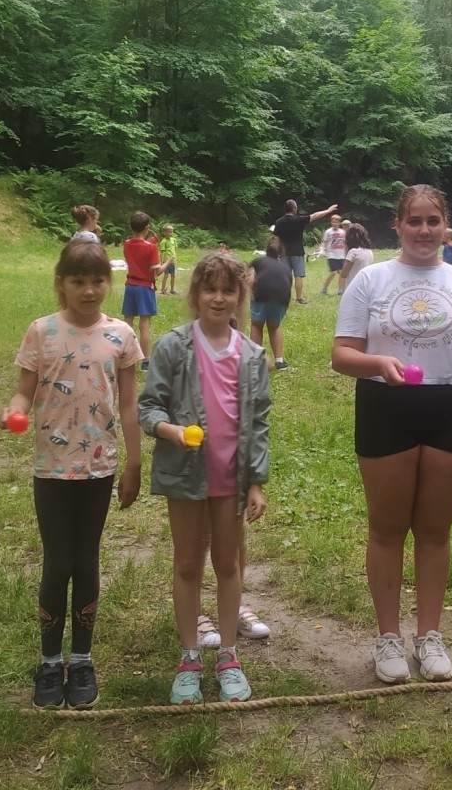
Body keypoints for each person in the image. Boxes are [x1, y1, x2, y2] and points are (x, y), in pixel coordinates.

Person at [332, 185, 452, 685]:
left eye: (433, 221)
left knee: (434, 530)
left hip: (451, 410)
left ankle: (429, 636)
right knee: (386, 529)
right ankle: (388, 637)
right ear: (398, 225)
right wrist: (377, 363)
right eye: (414, 221)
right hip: (385, 408)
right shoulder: (371, 279)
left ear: (446, 226)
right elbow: (341, 354)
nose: (424, 230)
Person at [0, 241, 143, 709]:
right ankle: (49, 662)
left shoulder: (121, 335)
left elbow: (128, 405)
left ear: (109, 282)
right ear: (60, 283)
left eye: (98, 280)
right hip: (52, 469)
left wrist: (134, 463)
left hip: (100, 469)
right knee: (57, 562)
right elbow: (24, 393)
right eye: (78, 281)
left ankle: (81, 659)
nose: (89, 290)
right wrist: (13, 411)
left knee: (86, 560)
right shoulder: (41, 331)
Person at [139, 253, 270, 704]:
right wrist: (169, 430)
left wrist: (256, 481)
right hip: (185, 475)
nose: (218, 298)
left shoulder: (252, 355)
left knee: (228, 564)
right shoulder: (172, 347)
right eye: (209, 289)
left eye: (228, 290)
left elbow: (259, 423)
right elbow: (148, 406)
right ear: (195, 294)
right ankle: (190, 658)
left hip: (232, 480)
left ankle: (229, 656)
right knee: (187, 564)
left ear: (239, 297)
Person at [272, 199, 338, 305]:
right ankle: (299, 299)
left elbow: (276, 238)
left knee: (285, 276)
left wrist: (275, 251)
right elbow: (315, 216)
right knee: (298, 276)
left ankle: (282, 298)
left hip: (283, 252)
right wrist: (328, 210)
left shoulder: (279, 222)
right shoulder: (299, 220)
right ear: (294, 208)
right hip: (297, 252)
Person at [122, 211, 163, 366]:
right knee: (144, 324)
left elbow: (137, 250)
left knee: (128, 321)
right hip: (145, 287)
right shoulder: (151, 248)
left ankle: (123, 355)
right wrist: (168, 263)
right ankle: (145, 360)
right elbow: (157, 271)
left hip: (130, 285)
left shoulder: (127, 243)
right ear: (147, 228)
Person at [249, 236, 292, 370]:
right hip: (281, 297)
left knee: (257, 325)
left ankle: (256, 359)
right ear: (282, 252)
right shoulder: (286, 265)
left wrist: (249, 295)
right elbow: (289, 283)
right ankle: (279, 361)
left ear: (266, 250)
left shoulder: (258, 261)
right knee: (274, 327)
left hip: (262, 294)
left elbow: (250, 279)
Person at [339, 222, 374, 291]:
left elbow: (344, 274)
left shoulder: (353, 252)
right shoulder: (369, 251)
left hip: (353, 288)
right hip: (365, 287)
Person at [319, 214, 346, 295]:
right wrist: (322, 250)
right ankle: (324, 288)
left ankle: (341, 290)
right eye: (333, 222)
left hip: (341, 255)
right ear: (331, 222)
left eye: (336, 222)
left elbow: (345, 243)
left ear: (339, 223)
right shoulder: (328, 232)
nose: (335, 224)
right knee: (333, 273)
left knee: (342, 273)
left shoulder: (343, 232)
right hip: (332, 255)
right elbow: (324, 242)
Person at [158, 225, 179, 295]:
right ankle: (163, 290)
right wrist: (162, 263)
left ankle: (172, 290)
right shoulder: (163, 242)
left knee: (173, 275)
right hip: (166, 262)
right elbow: (161, 253)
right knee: (166, 275)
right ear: (164, 233)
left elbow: (175, 250)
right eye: (169, 232)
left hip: (172, 261)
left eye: (172, 232)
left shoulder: (174, 240)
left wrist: (175, 258)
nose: (171, 233)